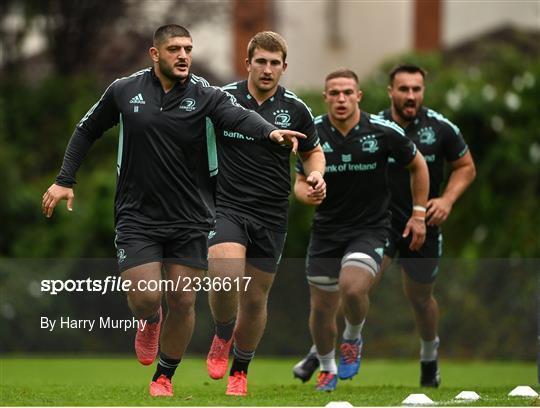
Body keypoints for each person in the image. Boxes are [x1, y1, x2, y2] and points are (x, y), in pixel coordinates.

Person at [41, 24, 306, 398]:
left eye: (188, 49)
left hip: (191, 218)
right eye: (174, 49)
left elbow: (237, 116)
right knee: (146, 296)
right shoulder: (123, 90)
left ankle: (164, 376)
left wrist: (270, 132)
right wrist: (65, 179)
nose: (183, 55)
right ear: (155, 54)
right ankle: (149, 321)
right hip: (137, 216)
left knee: (183, 300)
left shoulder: (205, 94)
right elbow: (86, 130)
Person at [293, 64, 476, 388]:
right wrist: (308, 191)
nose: (410, 95)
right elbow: (301, 179)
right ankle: (324, 355)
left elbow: (459, 166)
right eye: (403, 89)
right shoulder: (328, 130)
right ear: (390, 91)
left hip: (409, 223)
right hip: (368, 225)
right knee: (342, 296)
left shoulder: (425, 128)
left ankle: (427, 356)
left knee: (410, 297)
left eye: (416, 89)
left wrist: (437, 205)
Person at [205, 31, 326, 397]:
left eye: (275, 63)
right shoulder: (223, 99)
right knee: (225, 274)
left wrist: (316, 173)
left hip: (271, 214)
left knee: (255, 298)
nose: (268, 69)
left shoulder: (296, 108)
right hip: (225, 206)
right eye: (262, 61)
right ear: (248, 63)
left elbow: (313, 153)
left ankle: (240, 371)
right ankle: (223, 333)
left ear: (284, 67)